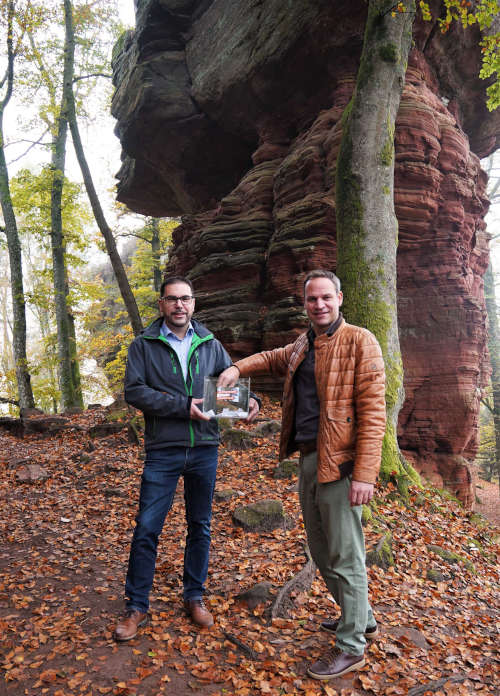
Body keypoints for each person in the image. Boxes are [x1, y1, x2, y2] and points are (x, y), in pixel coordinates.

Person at [218, 269, 386, 680]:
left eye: (326, 297)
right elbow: (273, 358)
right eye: (312, 299)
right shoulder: (303, 344)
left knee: (346, 556)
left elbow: (374, 414)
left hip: (343, 465)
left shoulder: (360, 340)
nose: (319, 305)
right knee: (321, 550)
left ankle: (351, 646)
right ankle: (359, 619)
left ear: (340, 298)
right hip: (310, 459)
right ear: (305, 303)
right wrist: (237, 370)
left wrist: (364, 474)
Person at [114, 275, 260, 640]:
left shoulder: (210, 344)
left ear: (193, 304)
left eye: (186, 299)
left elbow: (227, 391)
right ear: (161, 304)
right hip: (163, 450)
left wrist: (249, 402)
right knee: (148, 527)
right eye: (172, 299)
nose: (180, 305)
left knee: (201, 526)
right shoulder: (144, 345)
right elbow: (134, 391)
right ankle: (136, 606)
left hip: (205, 450)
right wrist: (184, 407)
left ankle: (194, 597)